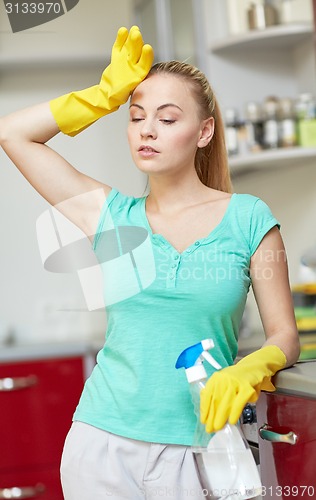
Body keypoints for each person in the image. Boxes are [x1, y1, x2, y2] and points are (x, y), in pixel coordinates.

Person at [0, 26, 300, 500]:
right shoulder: (110, 215)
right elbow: (13, 134)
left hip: (201, 452)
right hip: (101, 446)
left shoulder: (249, 218)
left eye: (167, 117)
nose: (147, 129)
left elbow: (285, 335)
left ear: (204, 131)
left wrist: (252, 366)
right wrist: (100, 96)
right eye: (137, 116)